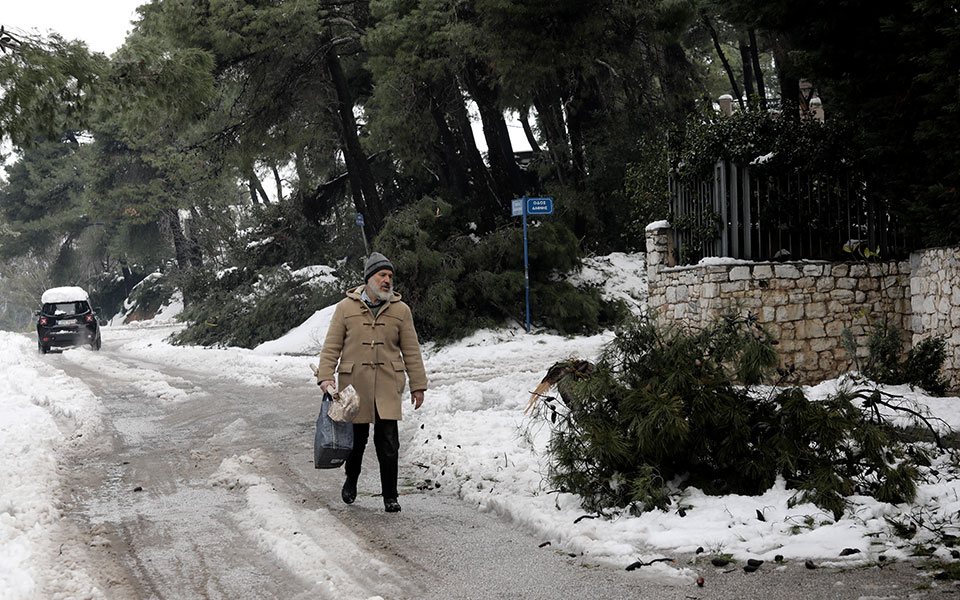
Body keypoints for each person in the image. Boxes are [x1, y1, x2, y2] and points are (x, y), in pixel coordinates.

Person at [316, 252, 427, 513]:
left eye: (390, 276)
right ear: (369, 279)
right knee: (355, 441)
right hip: (354, 386)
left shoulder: (401, 310)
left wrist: (418, 385)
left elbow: (411, 350)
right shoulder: (345, 308)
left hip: (388, 384)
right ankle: (351, 482)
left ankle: (390, 495)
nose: (388, 280)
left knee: (388, 443)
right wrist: (325, 375)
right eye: (382, 275)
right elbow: (332, 345)